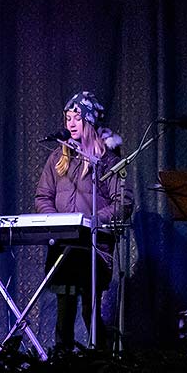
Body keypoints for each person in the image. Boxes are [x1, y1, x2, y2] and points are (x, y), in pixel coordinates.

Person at [34, 91, 133, 352]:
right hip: (63, 243)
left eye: (77, 117)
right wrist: (58, 221)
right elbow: (43, 195)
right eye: (68, 118)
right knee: (64, 309)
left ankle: (101, 360)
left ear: (90, 122)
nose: (71, 123)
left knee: (90, 309)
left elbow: (123, 202)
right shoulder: (57, 158)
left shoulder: (107, 160)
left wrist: (90, 221)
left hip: (94, 246)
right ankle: (61, 360)